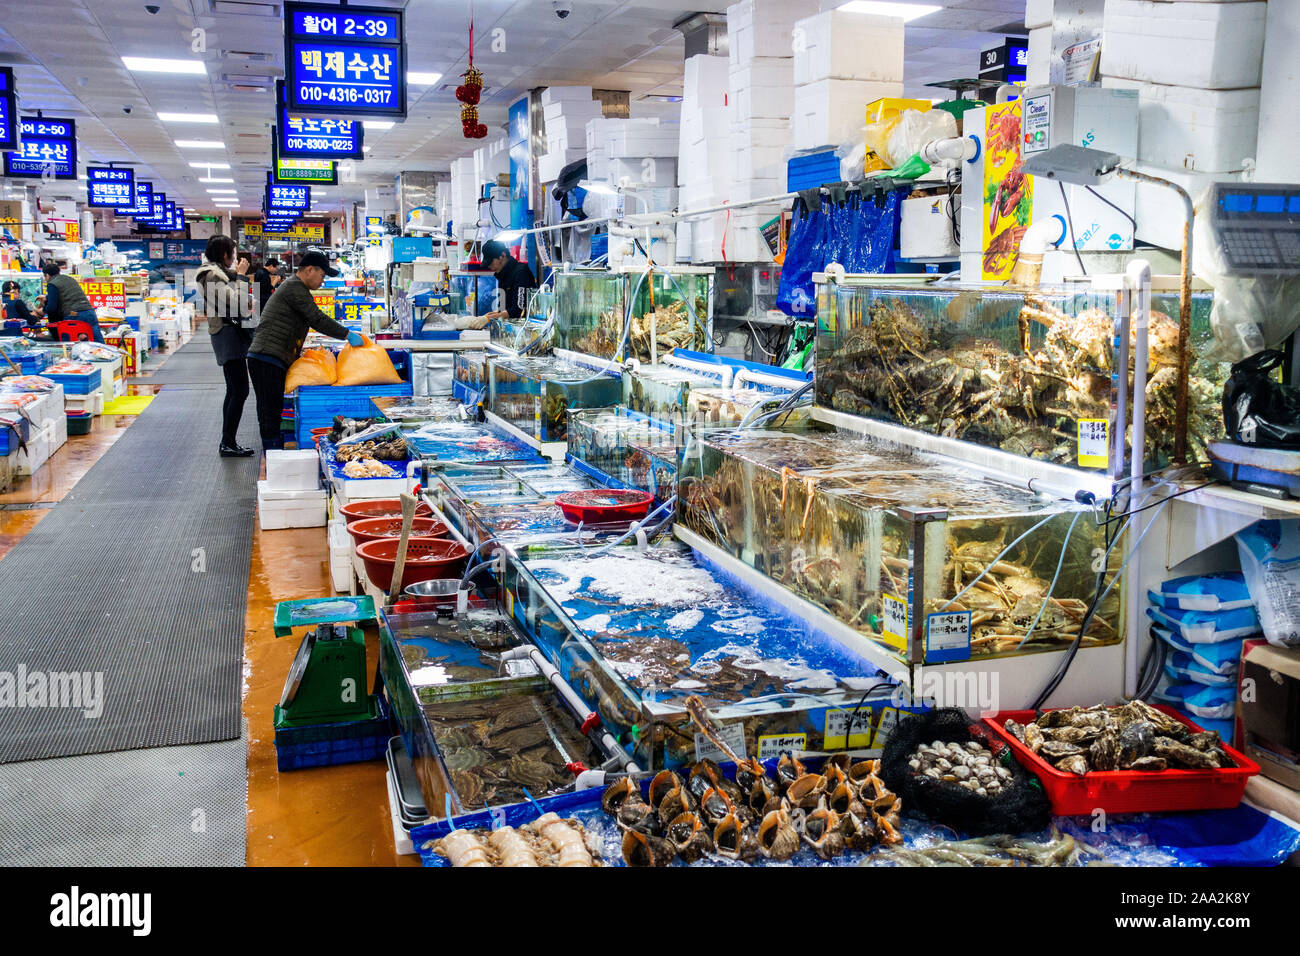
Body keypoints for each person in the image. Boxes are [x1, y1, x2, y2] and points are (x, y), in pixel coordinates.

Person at [246, 250, 362, 452]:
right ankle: (272, 457)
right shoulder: (294, 288)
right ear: (310, 270)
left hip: (270, 357)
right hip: (267, 357)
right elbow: (317, 318)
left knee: (270, 410)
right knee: (269, 411)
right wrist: (346, 334)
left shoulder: (295, 288)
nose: (323, 281)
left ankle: (273, 453)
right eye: (322, 275)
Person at [196, 235, 256, 458]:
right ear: (224, 254)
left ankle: (228, 440)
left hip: (230, 333)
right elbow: (238, 301)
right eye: (233, 252)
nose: (235, 257)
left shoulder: (217, 273)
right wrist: (240, 276)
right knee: (239, 389)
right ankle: (228, 442)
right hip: (227, 334)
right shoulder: (211, 275)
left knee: (235, 389)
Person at [41, 261, 105, 343]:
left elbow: (52, 308)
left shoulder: (52, 283)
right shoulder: (69, 278)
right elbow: (67, 294)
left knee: (69, 344)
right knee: (98, 342)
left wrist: (42, 310)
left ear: (47, 275)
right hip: (89, 312)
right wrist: (47, 297)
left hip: (73, 314)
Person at [479, 239, 538, 325]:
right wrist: (485, 317)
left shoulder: (521, 273)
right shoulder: (502, 275)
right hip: (510, 327)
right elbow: (502, 308)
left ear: (502, 256)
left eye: (491, 261)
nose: (489, 266)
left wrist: (488, 318)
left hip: (523, 328)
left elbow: (518, 310)